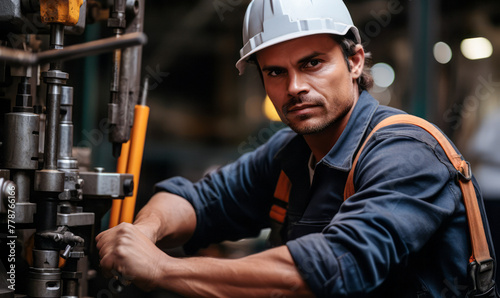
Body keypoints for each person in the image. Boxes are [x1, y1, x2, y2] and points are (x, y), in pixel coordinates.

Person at [96, 0, 496, 296]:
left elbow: (335, 267)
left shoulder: (405, 153)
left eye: (312, 64)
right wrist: (142, 234)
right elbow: (200, 200)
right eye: (275, 72)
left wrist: (162, 269)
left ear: (355, 61)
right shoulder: (290, 153)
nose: (294, 87)